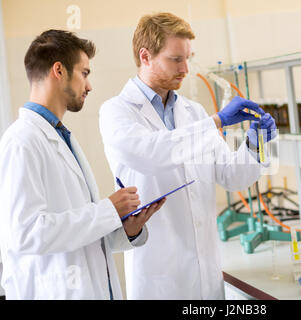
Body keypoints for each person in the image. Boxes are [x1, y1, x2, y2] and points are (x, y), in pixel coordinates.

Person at [99, 12, 277, 299]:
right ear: (146, 56)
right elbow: (151, 154)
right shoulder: (117, 111)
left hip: (206, 273)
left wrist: (256, 144)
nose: (185, 68)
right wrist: (216, 122)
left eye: (188, 58)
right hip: (158, 276)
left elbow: (231, 177)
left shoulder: (192, 112)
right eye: (175, 59)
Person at [0, 30, 165, 300]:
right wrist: (107, 210)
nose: (89, 86)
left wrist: (125, 229)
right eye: (84, 73)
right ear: (58, 70)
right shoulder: (22, 141)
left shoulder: (60, 137)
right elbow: (26, 234)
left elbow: (76, 235)